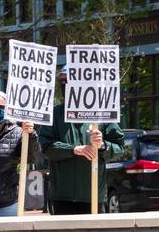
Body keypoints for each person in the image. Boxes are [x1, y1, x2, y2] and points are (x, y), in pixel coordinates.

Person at [39, 66, 127, 214]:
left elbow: (120, 148)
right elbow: (45, 147)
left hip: (94, 196)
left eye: (69, 81)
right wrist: (73, 150)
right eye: (62, 81)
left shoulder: (102, 113)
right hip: (62, 197)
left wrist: (103, 145)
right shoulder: (55, 114)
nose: (65, 85)